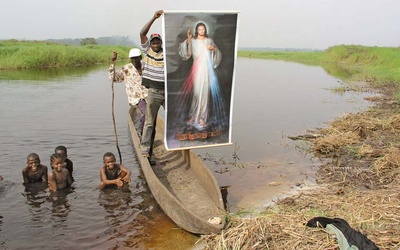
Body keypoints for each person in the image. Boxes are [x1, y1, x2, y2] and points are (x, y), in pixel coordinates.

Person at [178, 22, 225, 130]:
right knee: (197, 92)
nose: (201, 31)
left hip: (206, 70)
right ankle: (194, 114)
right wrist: (189, 39)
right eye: (199, 29)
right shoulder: (193, 42)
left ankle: (202, 117)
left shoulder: (209, 41)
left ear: (205, 30)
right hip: (197, 69)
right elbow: (186, 54)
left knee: (204, 93)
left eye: (203, 29)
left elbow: (218, 54)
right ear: (196, 31)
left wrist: (213, 49)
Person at [139, 10, 165, 165]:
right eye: (153, 42)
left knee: (175, 118)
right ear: (150, 44)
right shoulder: (147, 51)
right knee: (149, 122)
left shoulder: (165, 53)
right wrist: (154, 18)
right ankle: (145, 148)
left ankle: (178, 143)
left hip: (166, 91)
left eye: (157, 42)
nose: (155, 44)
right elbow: (142, 32)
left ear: (161, 43)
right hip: (153, 92)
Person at [108, 48, 148, 136]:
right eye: (132, 58)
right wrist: (112, 62)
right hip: (137, 99)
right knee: (146, 114)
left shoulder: (147, 67)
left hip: (149, 97)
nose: (134, 60)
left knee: (152, 116)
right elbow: (113, 78)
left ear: (140, 57)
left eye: (136, 58)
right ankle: (144, 136)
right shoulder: (127, 68)